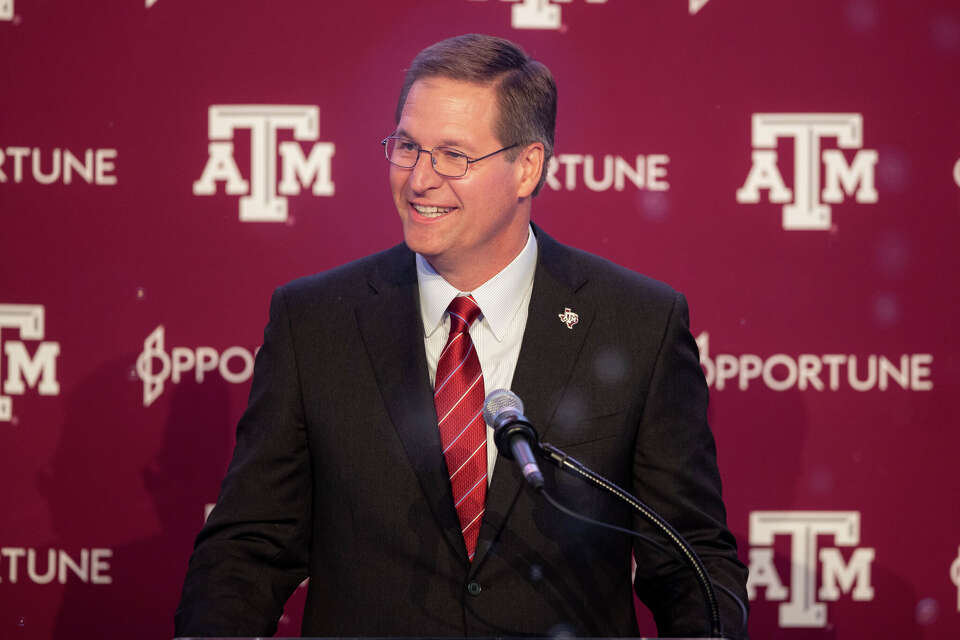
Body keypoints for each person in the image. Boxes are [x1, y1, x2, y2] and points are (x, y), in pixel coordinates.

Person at [175, 34, 748, 638]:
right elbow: (248, 549)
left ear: (526, 167)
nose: (419, 180)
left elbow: (690, 562)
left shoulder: (637, 324)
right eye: (407, 147)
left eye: (453, 155)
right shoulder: (315, 322)